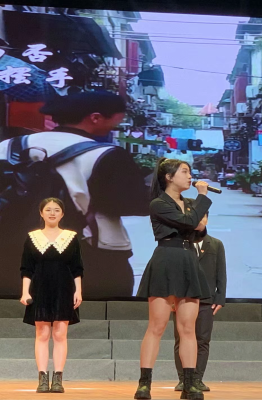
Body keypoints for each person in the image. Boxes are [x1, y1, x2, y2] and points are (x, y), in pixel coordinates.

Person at [0, 91, 149, 298]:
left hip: (10, 253)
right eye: (117, 120)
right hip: (90, 256)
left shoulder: (7, 147)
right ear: (95, 117)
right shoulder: (106, 154)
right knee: (93, 314)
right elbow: (133, 204)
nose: (118, 125)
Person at [134, 158, 212, 400]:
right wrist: (202, 198)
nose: (190, 177)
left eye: (189, 172)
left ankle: (189, 384)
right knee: (156, 326)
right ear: (168, 177)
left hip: (188, 259)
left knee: (188, 328)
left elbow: (200, 229)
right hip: (166, 259)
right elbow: (191, 222)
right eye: (184, 172)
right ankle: (144, 384)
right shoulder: (159, 203)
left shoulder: (189, 204)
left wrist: (197, 216)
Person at [20, 198, 84, 394]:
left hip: (64, 288)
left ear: (62, 214)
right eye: (48, 210)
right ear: (41, 213)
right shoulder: (32, 237)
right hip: (39, 289)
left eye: (56, 210)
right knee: (42, 334)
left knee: (60, 334)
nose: (52, 213)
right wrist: (25, 291)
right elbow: (26, 268)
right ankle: (42, 379)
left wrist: (78, 290)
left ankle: (58, 379)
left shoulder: (71, 237)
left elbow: (77, 268)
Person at [173, 211, 227, 392]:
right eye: (197, 216)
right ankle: (184, 379)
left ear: (207, 219)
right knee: (181, 339)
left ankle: (197, 379)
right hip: (182, 298)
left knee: (203, 340)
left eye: (204, 216)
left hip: (206, 300)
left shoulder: (216, 244)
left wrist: (220, 297)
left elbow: (221, 273)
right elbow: (173, 272)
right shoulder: (180, 243)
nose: (201, 220)